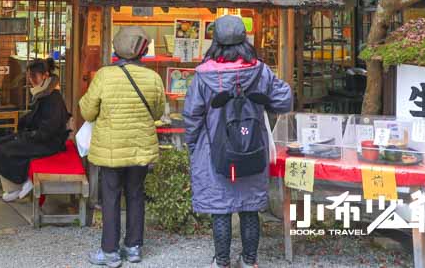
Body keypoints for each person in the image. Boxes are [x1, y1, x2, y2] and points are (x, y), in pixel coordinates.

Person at [183, 15, 293, 268]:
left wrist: (193, 145)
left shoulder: (203, 76)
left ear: (215, 42)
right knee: (249, 207)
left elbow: (192, 116)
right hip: (252, 147)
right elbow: (284, 100)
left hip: (214, 150)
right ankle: (249, 260)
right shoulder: (261, 71)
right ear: (245, 40)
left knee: (220, 208)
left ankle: (221, 261)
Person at [80, 26, 166, 268]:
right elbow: (158, 112)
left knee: (111, 197)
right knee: (136, 194)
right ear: (143, 50)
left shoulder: (105, 76)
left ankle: (109, 251)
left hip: (110, 149)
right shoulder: (153, 78)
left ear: (117, 47)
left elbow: (87, 111)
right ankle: (134, 247)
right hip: (140, 147)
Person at [0, 57, 70, 201]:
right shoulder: (44, 92)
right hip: (40, 136)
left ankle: (17, 185)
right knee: (1, 143)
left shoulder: (52, 97)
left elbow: (49, 128)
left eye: (34, 77)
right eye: (30, 77)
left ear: (45, 76)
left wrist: (29, 135)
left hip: (49, 142)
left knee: (7, 148)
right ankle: (15, 185)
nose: (31, 80)